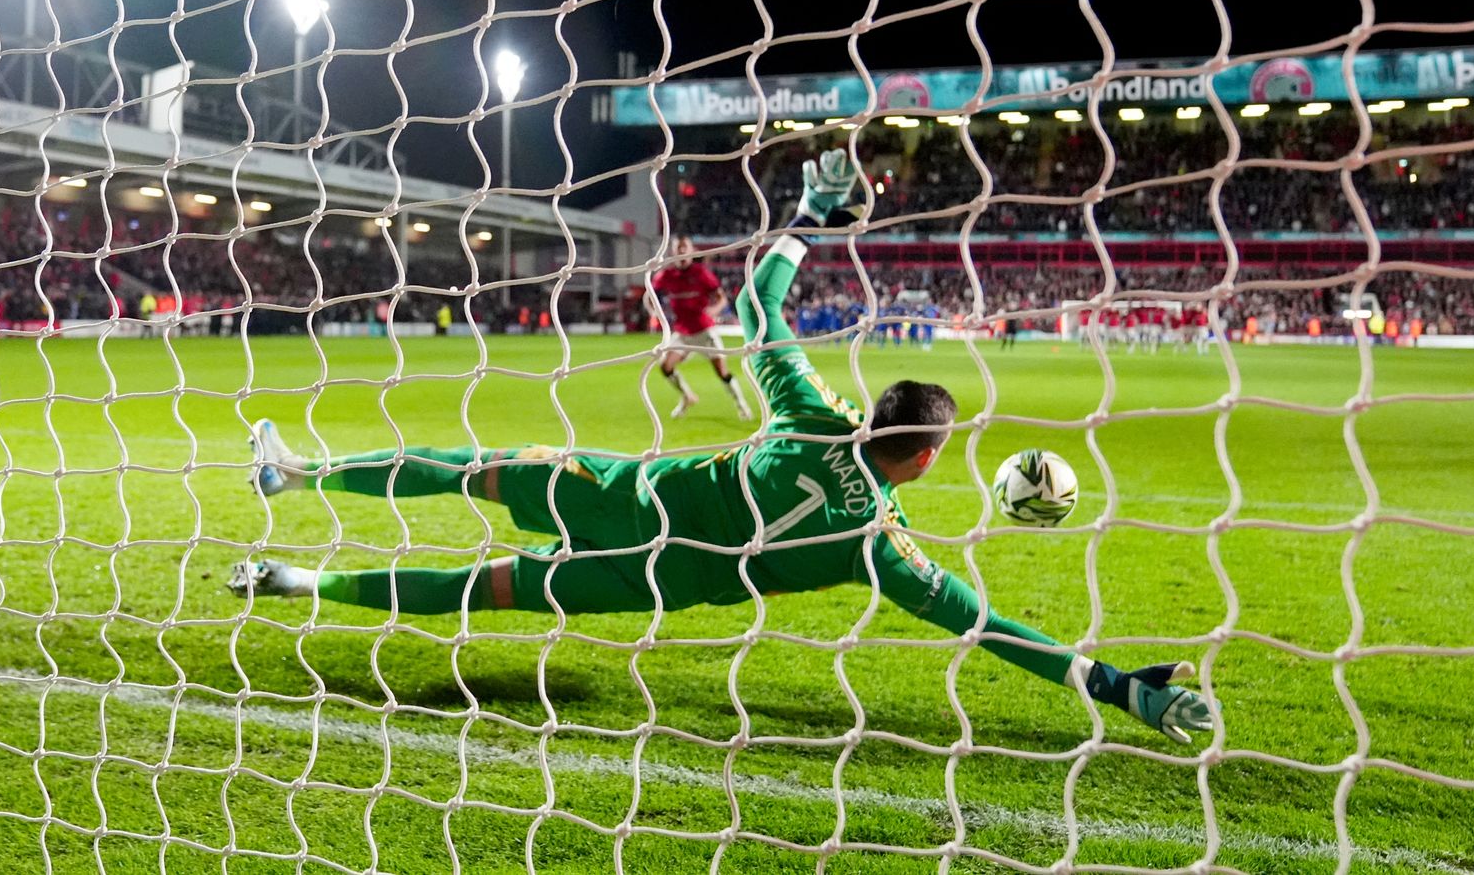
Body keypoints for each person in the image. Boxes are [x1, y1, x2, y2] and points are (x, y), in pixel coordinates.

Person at [229, 151, 1215, 744]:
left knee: (469, 471)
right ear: (920, 458)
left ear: (875, 416)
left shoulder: (808, 412)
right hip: (642, 583)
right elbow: (986, 627)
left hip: (615, 496)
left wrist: (813, 217)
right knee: (477, 589)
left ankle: (299, 471)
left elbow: (759, 303)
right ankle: (294, 582)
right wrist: (1115, 687)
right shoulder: (880, 543)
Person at [649, 235, 752, 419]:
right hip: (682, 332)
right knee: (665, 366)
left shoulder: (701, 273)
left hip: (704, 330)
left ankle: (742, 405)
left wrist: (713, 310)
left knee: (721, 371)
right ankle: (687, 396)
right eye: (677, 248)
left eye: (684, 247)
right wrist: (653, 309)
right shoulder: (666, 274)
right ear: (673, 251)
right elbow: (649, 292)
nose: (681, 251)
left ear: (691, 251)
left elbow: (721, 298)